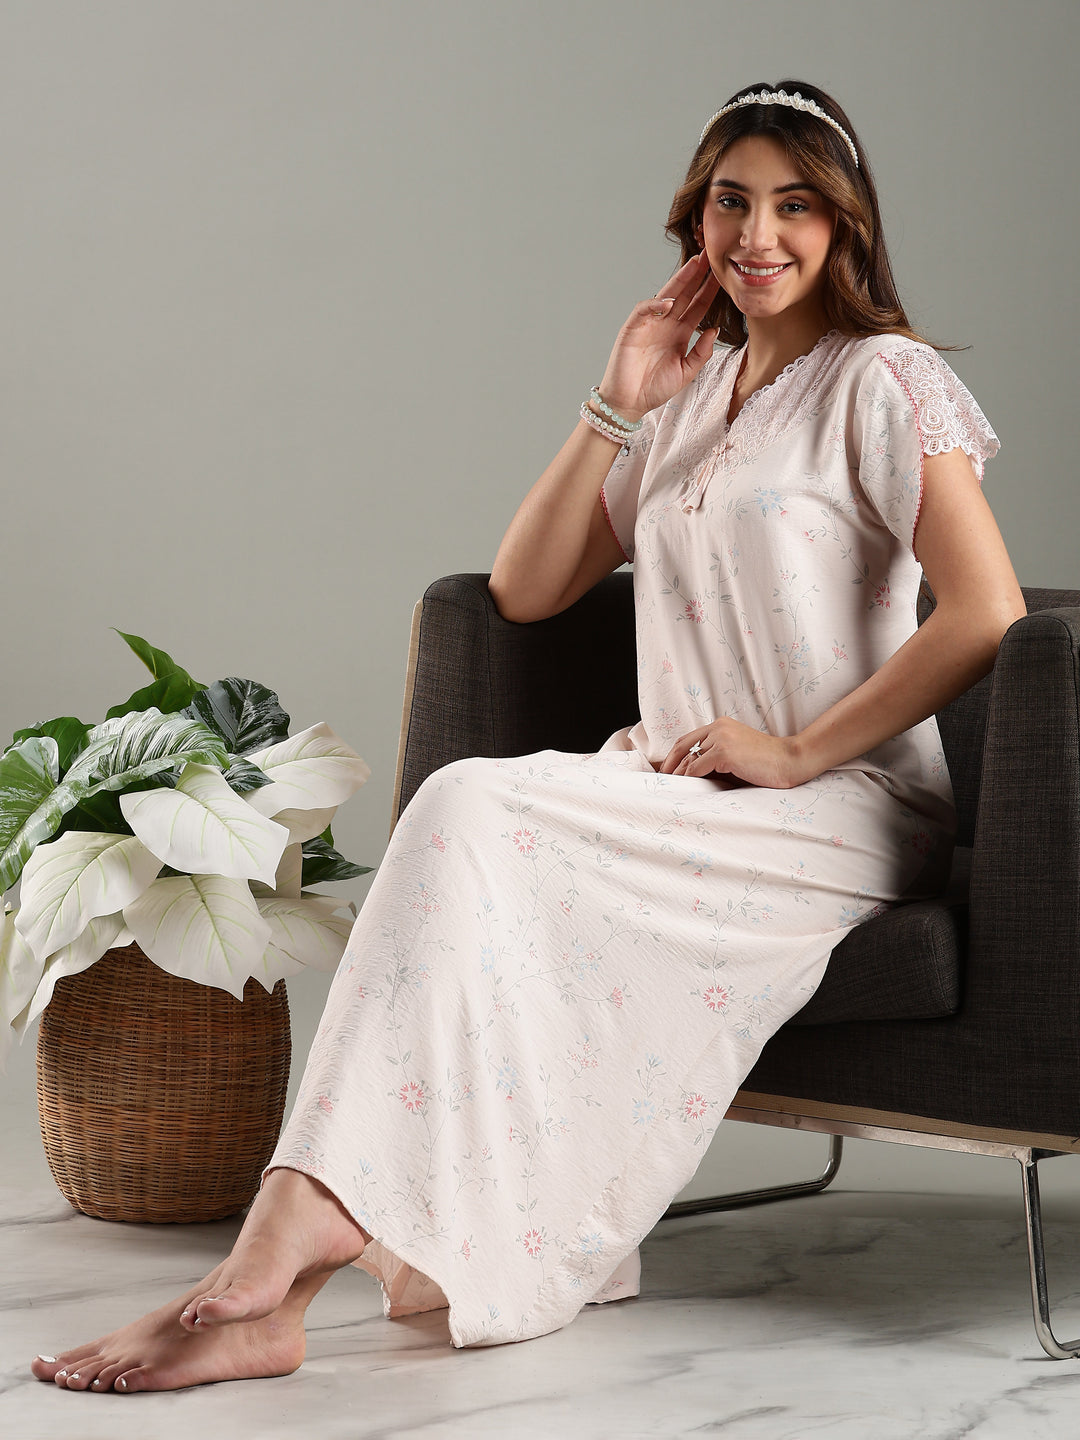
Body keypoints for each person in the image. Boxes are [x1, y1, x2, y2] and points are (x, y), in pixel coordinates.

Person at [33, 79, 1025, 1394]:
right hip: (673, 791)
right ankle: (283, 1278)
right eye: (731, 202)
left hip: (835, 810)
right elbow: (527, 588)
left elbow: (988, 611)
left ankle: (277, 1259)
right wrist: (616, 402)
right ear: (694, 219)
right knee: (462, 821)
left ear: (845, 225)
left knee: (463, 806)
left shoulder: (885, 380)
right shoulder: (689, 392)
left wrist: (796, 753)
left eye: (796, 206)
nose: (758, 235)